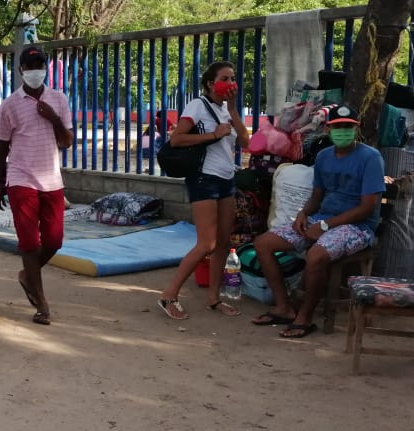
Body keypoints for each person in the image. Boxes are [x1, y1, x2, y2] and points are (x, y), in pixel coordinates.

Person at [250, 104, 385, 339]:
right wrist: (303, 215)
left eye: (347, 127)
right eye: (337, 127)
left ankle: (305, 316)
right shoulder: (323, 157)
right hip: (322, 219)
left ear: (357, 129)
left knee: (316, 256)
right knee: (263, 243)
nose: (342, 131)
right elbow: (317, 197)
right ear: (328, 130)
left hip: (357, 227)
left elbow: (367, 207)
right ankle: (284, 307)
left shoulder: (370, 158)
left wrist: (324, 226)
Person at [157, 61, 251, 320]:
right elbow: (176, 139)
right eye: (225, 78)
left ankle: (213, 298)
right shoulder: (197, 106)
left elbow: (246, 142)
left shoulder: (228, 110)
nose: (231, 83)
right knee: (206, 243)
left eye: (233, 78)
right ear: (211, 83)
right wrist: (213, 135)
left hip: (226, 180)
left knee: (223, 242)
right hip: (203, 179)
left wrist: (232, 110)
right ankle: (169, 295)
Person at [0, 45, 74, 326]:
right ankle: (42, 304)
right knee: (29, 243)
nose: (36, 71)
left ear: (46, 68)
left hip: (51, 179)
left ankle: (27, 275)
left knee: (54, 240)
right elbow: (1, 149)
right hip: (21, 178)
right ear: (21, 70)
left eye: (40, 66)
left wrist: (52, 117)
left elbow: (67, 141)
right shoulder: (9, 105)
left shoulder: (59, 100)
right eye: (30, 66)